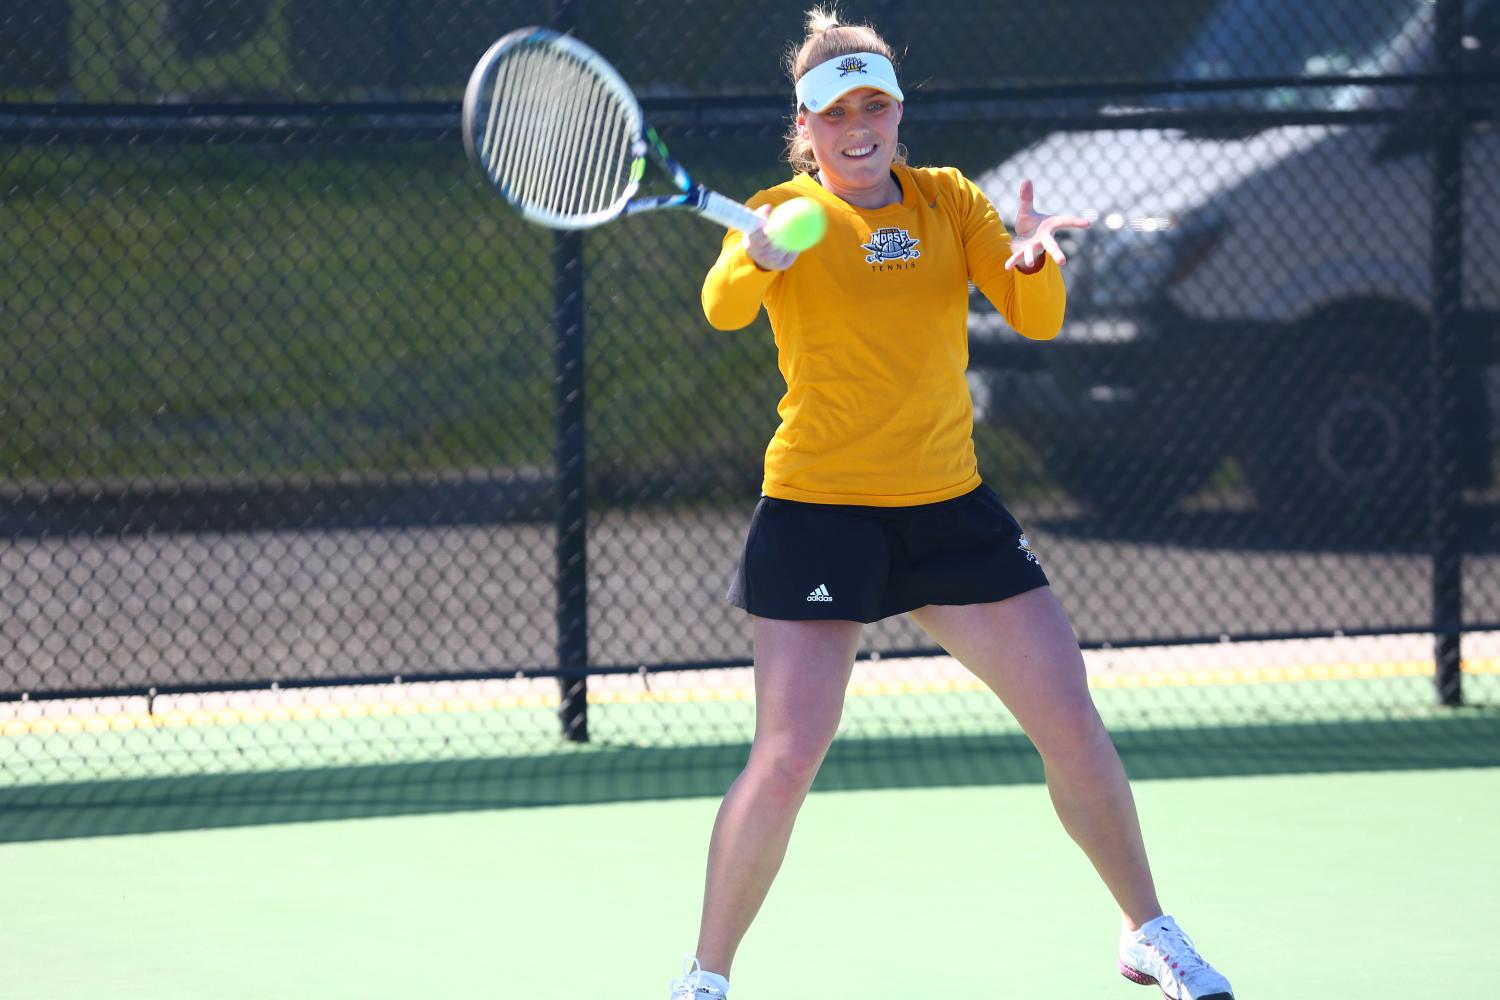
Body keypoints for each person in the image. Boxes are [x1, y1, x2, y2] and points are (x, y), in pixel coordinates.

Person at [672, 8, 1235, 1000]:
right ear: (805, 127)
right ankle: (705, 977)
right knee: (789, 752)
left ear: (897, 112)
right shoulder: (777, 215)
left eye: (874, 103)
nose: (858, 123)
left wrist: (1033, 264)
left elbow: (1037, 316)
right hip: (819, 512)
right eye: (835, 109)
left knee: (1071, 721)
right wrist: (756, 253)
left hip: (947, 509)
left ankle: (1147, 929)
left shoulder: (948, 203)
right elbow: (721, 305)